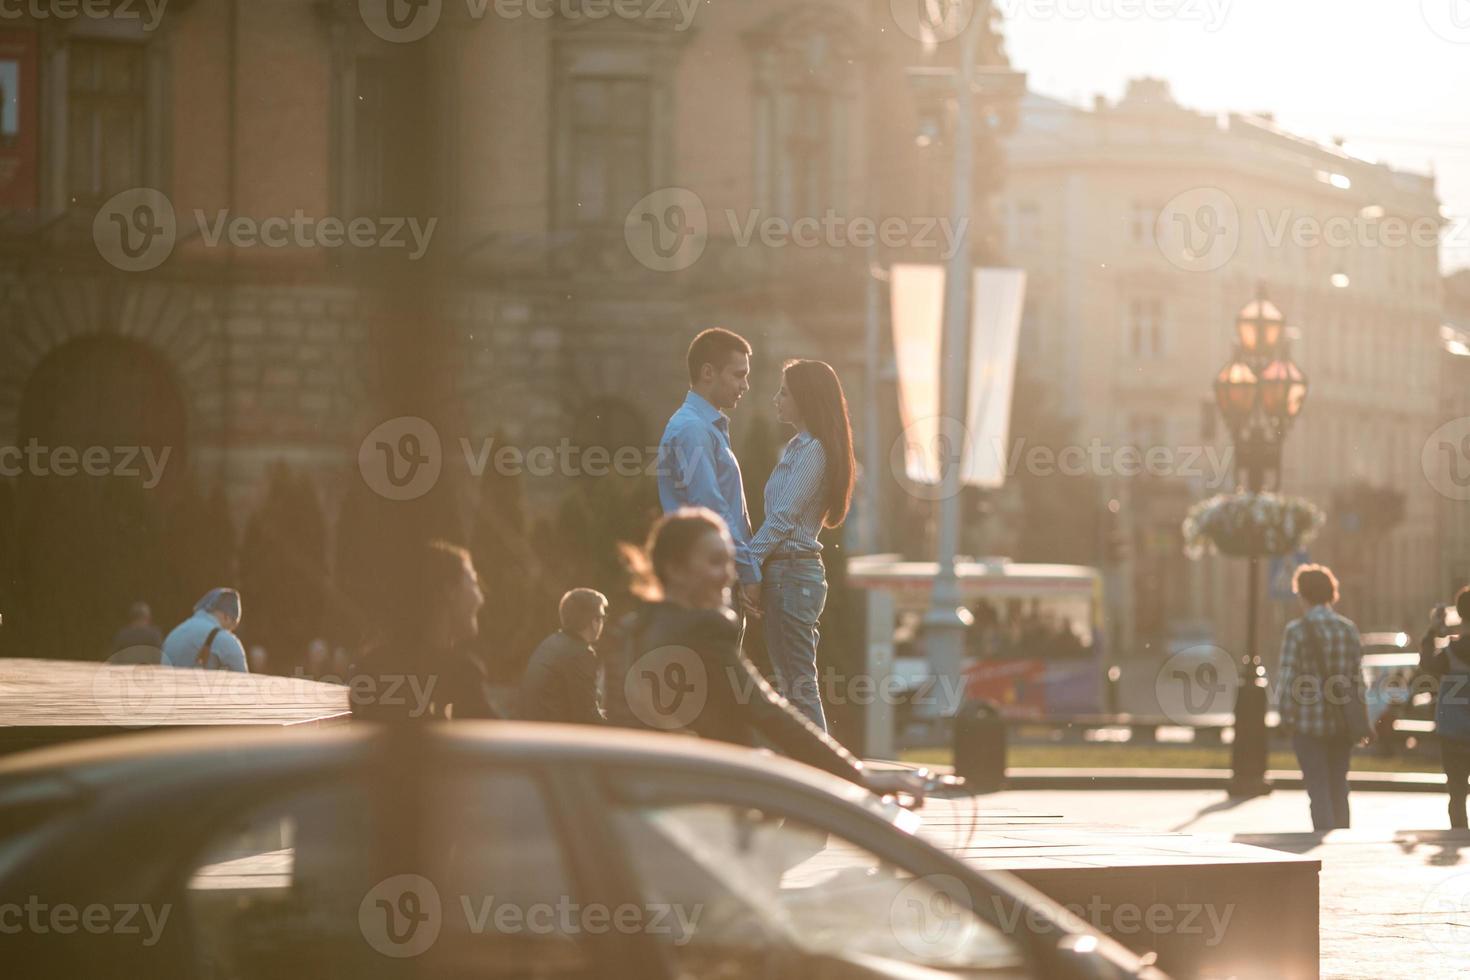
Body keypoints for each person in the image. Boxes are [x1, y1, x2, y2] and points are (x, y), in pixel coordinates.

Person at [606, 507, 923, 800]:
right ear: (675, 569)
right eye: (715, 562)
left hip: (643, 800)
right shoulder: (703, 630)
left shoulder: (632, 630)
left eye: (730, 562)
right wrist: (859, 776)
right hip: (704, 808)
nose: (728, 575)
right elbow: (766, 710)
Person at [740, 359, 855, 731]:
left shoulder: (815, 450)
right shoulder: (797, 446)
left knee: (799, 688)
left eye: (785, 392)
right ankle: (813, 769)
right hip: (786, 574)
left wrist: (747, 562)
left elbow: (783, 517)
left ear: (807, 398)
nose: (776, 399)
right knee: (793, 687)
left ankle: (824, 776)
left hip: (793, 574)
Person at [656, 328, 760, 619]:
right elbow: (711, 509)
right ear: (708, 372)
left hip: (708, 575)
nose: (746, 385)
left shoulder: (703, 426)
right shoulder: (693, 429)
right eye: (739, 375)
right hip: (701, 581)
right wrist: (749, 572)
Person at [350, 540, 499, 722]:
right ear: (449, 591)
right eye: (473, 582)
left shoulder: (370, 666)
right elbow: (503, 746)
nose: (481, 598)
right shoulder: (460, 674)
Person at [1275, 564, 1370, 831]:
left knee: (1318, 788)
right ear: (1331, 593)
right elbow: (1357, 680)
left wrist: (1285, 716)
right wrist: (1361, 719)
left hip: (1307, 724)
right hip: (1342, 723)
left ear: (1302, 594)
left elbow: (1288, 678)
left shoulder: (1296, 631)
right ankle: (1342, 839)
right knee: (1339, 785)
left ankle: (1324, 839)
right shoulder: (1348, 629)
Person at [1418, 586, 1470, 828]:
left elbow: (1427, 662)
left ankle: (1459, 831)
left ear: (1460, 614)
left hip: (1453, 731)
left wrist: (1432, 630)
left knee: (1457, 791)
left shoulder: (1450, 654)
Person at [519, 588, 608, 725]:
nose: (602, 622)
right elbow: (587, 717)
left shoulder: (551, 643)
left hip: (535, 734)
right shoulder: (579, 654)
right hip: (555, 740)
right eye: (601, 617)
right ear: (593, 621)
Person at [160, 589, 248, 672]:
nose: (230, 631)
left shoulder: (174, 633)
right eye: (232, 626)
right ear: (226, 617)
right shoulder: (225, 639)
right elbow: (244, 684)